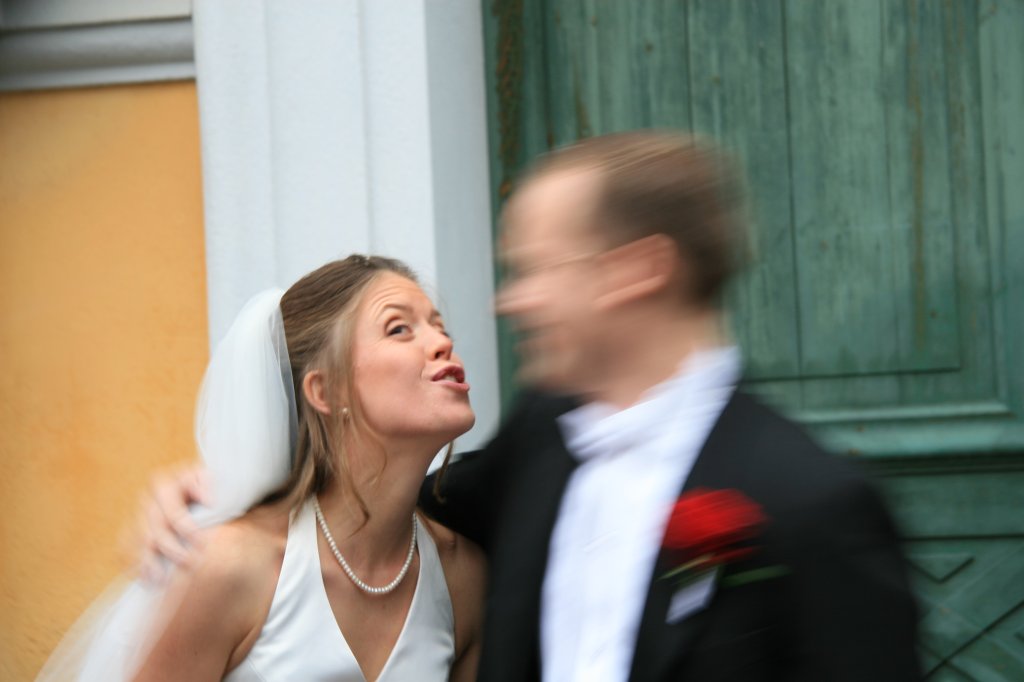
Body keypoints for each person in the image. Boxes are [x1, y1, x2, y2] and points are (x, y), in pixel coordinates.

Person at [140, 132, 921, 681]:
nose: (509, 302)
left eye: (538, 270)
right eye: (403, 328)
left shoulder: (813, 503)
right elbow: (379, 497)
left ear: (634, 272)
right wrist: (218, 490)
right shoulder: (541, 442)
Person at [41, 255, 484, 681]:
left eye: (440, 326)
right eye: (399, 328)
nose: (442, 342)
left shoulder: (461, 578)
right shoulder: (230, 567)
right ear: (325, 391)